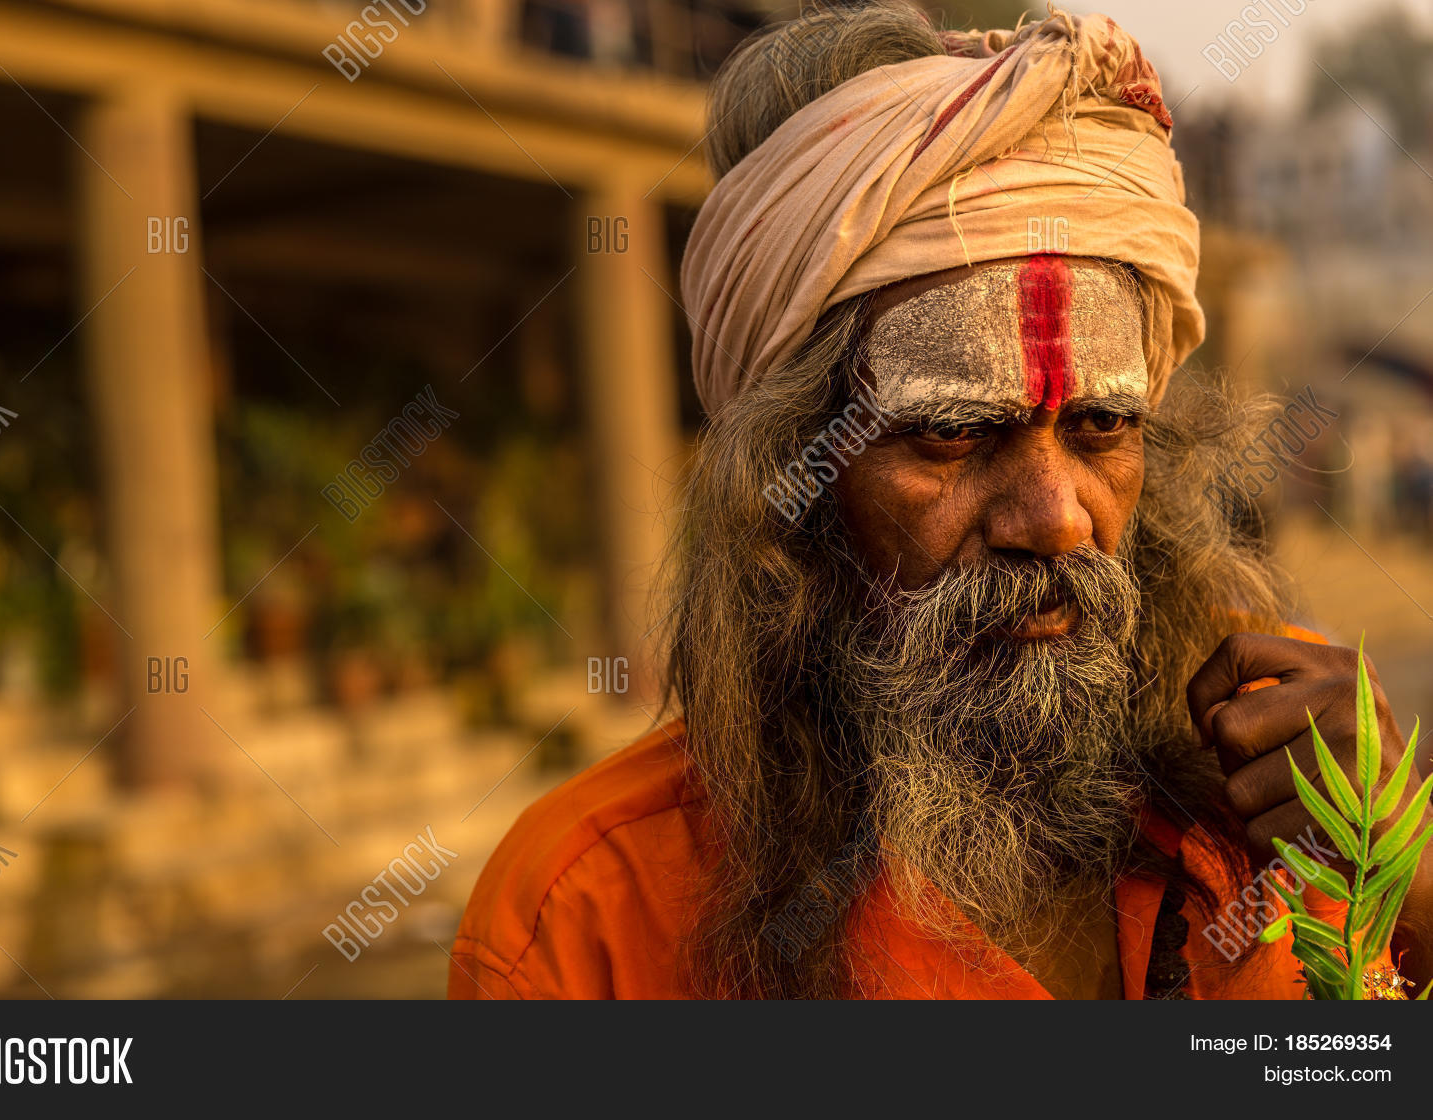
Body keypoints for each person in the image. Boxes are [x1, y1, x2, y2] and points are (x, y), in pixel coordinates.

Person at [449, 3, 1433, 999]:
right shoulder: (584, 919)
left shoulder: (1291, 763)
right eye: (953, 433)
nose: (1055, 517)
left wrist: (1413, 875)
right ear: (796, 478)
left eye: (1101, 427)